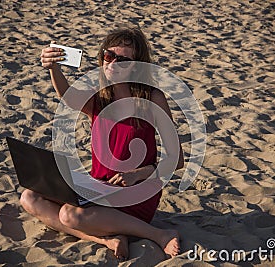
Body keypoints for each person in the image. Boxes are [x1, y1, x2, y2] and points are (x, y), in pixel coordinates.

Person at [20, 27, 184, 261]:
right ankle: (106, 239)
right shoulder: (98, 98)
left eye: (123, 59)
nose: (113, 64)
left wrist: (140, 172)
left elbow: (177, 159)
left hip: (136, 192)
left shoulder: (151, 99)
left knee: (69, 216)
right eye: (109, 56)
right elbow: (67, 96)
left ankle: (159, 234)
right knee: (29, 197)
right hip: (99, 188)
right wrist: (53, 68)